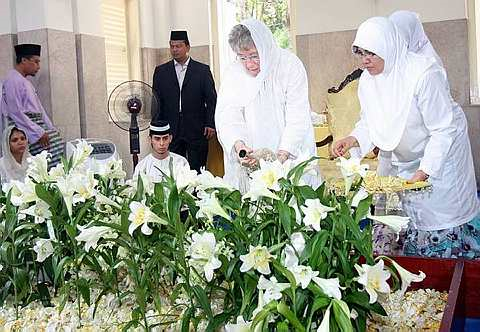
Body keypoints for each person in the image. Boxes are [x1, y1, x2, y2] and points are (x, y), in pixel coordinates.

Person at [332, 17, 480, 259]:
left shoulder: (423, 74)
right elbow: (371, 122)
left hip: (436, 159)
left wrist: (425, 170)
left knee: (437, 221)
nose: (365, 60)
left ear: (389, 47)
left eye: (372, 53)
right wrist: (352, 139)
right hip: (404, 161)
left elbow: (442, 130)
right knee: (405, 221)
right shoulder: (368, 80)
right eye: (360, 53)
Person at [215, 19, 320, 190]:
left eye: (254, 56)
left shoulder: (289, 66)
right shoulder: (233, 73)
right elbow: (228, 115)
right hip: (252, 157)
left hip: (287, 155)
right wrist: (240, 147)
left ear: (265, 47)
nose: (249, 64)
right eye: (242, 57)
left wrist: (281, 157)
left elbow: (297, 116)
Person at [151, 31, 217, 173]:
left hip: (196, 128)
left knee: (197, 169)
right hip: (171, 129)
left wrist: (210, 123)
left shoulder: (202, 70)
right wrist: (155, 127)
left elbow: (211, 99)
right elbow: (156, 102)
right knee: (173, 169)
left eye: (178, 46)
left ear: (187, 47)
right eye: (172, 46)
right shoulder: (161, 71)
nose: (175, 50)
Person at [0, 44, 63, 168]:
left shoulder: (25, 81)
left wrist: (50, 128)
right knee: (44, 164)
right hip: (26, 128)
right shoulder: (13, 80)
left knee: (58, 148)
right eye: (36, 62)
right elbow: (15, 112)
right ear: (24, 60)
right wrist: (38, 132)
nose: (38, 67)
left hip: (37, 125)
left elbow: (40, 110)